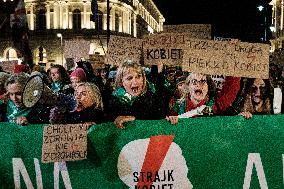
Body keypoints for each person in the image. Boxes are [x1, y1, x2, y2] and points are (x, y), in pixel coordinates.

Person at [107, 60, 167, 128]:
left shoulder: (153, 98)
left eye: (138, 77)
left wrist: (135, 118)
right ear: (121, 82)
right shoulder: (114, 101)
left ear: (143, 79)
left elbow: (160, 118)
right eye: (129, 78)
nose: (135, 82)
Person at [167, 73, 241, 124]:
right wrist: (170, 120)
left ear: (208, 87)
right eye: (194, 81)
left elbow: (231, 87)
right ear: (188, 86)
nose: (198, 85)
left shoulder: (216, 104)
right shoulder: (177, 106)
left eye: (203, 81)